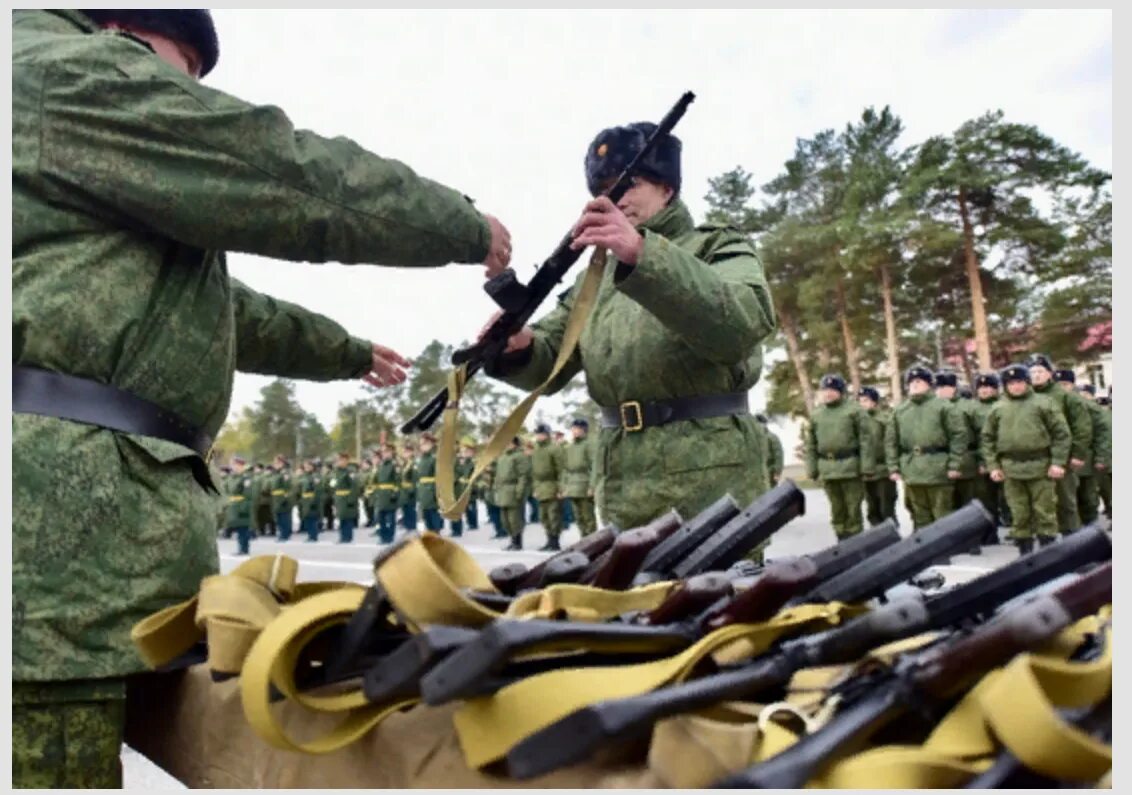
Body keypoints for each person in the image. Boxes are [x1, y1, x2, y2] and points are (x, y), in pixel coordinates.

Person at [483, 120, 776, 529]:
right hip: (623, 478)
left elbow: (742, 323)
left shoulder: (716, 245)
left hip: (710, 475)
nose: (614, 198)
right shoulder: (597, 278)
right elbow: (552, 360)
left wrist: (643, 255)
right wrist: (521, 345)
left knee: (716, 591)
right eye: (603, 189)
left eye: (629, 183)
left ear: (667, 188)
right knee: (628, 592)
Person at [981, 364, 1071, 554]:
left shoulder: (1044, 403)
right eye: (1011, 383)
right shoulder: (997, 408)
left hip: (1041, 466)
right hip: (1010, 468)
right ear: (1005, 386)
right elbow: (988, 438)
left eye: (1020, 382)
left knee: (1044, 511)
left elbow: (1061, 434)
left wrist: (1058, 462)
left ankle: (1049, 552)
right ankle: (1025, 553)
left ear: (1027, 383)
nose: (1016, 386)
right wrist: (993, 466)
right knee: (1019, 513)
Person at [885, 365, 968, 531]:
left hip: (938, 468)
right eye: (911, 382)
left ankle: (943, 551)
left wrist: (954, 465)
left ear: (929, 384)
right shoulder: (900, 411)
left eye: (919, 381)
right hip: (912, 469)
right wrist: (893, 467)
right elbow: (891, 441)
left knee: (942, 514)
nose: (915, 385)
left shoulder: (943, 407)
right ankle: (926, 552)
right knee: (919, 515)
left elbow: (958, 437)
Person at [1026, 355, 1092, 536]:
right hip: (1034, 458)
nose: (1036, 376)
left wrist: (1078, 454)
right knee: (1040, 504)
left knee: (1066, 502)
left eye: (1040, 371)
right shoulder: (1024, 397)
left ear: (1050, 374)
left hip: (1062, 456)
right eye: (1032, 372)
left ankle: (1073, 541)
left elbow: (1082, 427)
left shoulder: (1066, 397)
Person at [804, 374, 874, 539]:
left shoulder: (854, 411)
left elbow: (866, 440)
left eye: (832, 390)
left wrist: (867, 467)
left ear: (841, 392)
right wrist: (812, 469)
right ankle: (841, 542)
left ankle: (855, 543)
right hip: (828, 469)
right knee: (836, 510)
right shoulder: (817, 414)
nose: (828, 393)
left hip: (850, 468)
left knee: (853, 510)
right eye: (825, 390)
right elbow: (811, 445)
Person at [1071, 382, 1111, 526]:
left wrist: (1102, 457)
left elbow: (1103, 432)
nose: (1083, 396)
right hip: (1067, 462)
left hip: (1088, 460)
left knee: (1091, 497)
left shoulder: (1092, 409)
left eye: (1086, 394)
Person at [971, 372, 1005, 537]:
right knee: (987, 499)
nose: (984, 390)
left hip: (1006, 458)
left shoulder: (1003, 405)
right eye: (981, 387)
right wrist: (981, 460)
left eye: (988, 387)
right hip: (984, 460)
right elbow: (973, 437)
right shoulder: (972, 409)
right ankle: (991, 533)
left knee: (1010, 498)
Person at [856, 387, 897, 526]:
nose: (862, 404)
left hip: (883, 469)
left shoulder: (884, 419)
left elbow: (891, 443)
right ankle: (876, 537)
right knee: (872, 508)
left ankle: (892, 535)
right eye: (860, 401)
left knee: (886, 507)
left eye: (865, 400)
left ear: (874, 402)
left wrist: (893, 467)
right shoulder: (857, 421)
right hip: (866, 471)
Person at [561, 418, 599, 537]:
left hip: (584, 484)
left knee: (588, 517)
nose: (575, 431)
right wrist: (564, 486)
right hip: (572, 486)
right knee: (578, 517)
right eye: (573, 429)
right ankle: (584, 539)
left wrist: (592, 486)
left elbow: (595, 466)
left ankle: (592, 541)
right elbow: (565, 469)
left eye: (577, 429)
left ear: (584, 430)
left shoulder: (589, 444)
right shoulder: (570, 447)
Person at [530, 423, 565, 551]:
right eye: (538, 434)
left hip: (552, 485)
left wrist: (561, 488)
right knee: (543, 516)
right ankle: (549, 540)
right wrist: (534, 488)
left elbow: (561, 470)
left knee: (553, 515)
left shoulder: (554, 449)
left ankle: (555, 541)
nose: (539, 436)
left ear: (547, 435)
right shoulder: (536, 450)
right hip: (540, 487)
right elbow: (534, 471)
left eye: (541, 434)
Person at [495, 437, 532, 550]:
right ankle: (512, 540)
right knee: (505, 519)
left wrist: (520, 491)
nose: (506, 444)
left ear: (515, 444)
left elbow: (523, 476)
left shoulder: (520, 456)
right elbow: (498, 476)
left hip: (513, 489)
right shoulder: (502, 457)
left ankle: (517, 542)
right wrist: (496, 490)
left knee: (515, 519)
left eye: (509, 443)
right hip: (503, 490)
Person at [223, 456, 254, 556]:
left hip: (242, 505)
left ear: (241, 465)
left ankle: (244, 548)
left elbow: (248, 494)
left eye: (235, 465)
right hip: (234, 506)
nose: (233, 467)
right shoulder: (232, 477)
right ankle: (241, 548)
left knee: (243, 529)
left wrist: (244, 507)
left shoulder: (245, 478)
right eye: (232, 465)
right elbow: (228, 492)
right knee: (238, 528)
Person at [373, 444, 401, 545]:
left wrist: (395, 493)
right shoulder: (380, 465)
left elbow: (398, 481)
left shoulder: (394, 465)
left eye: (387, 451)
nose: (385, 454)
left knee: (390, 518)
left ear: (391, 453)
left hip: (390, 495)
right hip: (381, 495)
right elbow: (376, 481)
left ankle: (390, 536)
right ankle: (383, 536)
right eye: (383, 452)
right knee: (381, 517)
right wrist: (376, 493)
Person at [416, 433, 444, 532]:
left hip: (432, 490)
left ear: (431, 444)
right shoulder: (421, 459)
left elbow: (440, 477)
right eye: (421, 444)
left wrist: (438, 494)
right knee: (426, 516)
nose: (422, 446)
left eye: (425, 443)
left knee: (434, 515)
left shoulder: (434, 458)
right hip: (423, 491)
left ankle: (437, 535)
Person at [453, 436, 479, 535]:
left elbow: (475, 475)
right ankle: (465, 525)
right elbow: (455, 472)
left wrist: (473, 486)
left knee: (471, 507)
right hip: (459, 488)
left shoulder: (473, 462)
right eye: (463, 451)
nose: (464, 453)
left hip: (469, 487)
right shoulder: (458, 461)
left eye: (466, 451)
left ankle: (473, 523)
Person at [271, 455, 295, 541]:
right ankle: (282, 533)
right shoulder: (276, 473)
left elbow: (288, 486)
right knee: (279, 516)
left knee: (284, 517)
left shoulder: (285, 473)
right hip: (276, 497)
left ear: (281, 463)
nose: (274, 464)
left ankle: (285, 534)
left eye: (276, 462)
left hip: (282, 497)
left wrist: (286, 497)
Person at [297, 460, 322, 542]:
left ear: (312, 467)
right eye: (305, 466)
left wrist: (314, 501)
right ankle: (310, 535)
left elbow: (317, 490)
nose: (306, 468)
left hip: (312, 499)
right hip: (305, 500)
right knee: (307, 518)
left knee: (312, 519)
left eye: (308, 466)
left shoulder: (315, 476)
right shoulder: (304, 476)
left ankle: (313, 536)